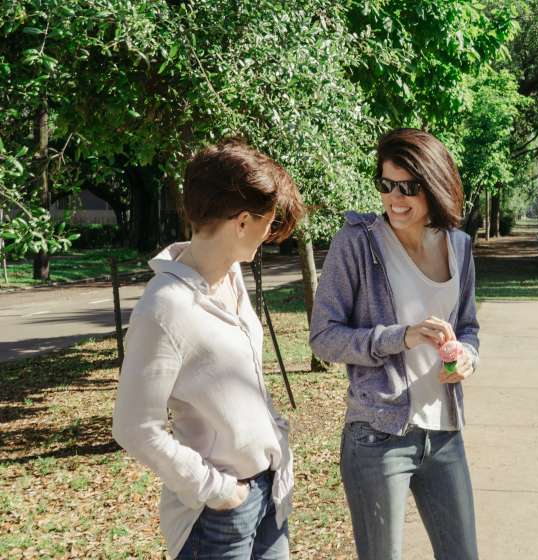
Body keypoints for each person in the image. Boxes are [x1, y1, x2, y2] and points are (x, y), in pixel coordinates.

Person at [112, 139, 305, 559]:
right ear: (240, 222)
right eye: (268, 223)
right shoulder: (165, 307)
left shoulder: (231, 279)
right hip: (218, 519)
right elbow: (133, 427)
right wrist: (217, 490)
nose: (270, 235)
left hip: (269, 491)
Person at [309, 128, 481, 560]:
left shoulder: (458, 246)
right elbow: (323, 337)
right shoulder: (358, 243)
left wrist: (467, 357)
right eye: (386, 185)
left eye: (409, 188)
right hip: (377, 436)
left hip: (444, 434)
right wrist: (398, 337)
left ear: (435, 185)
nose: (394, 199)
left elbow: (469, 326)